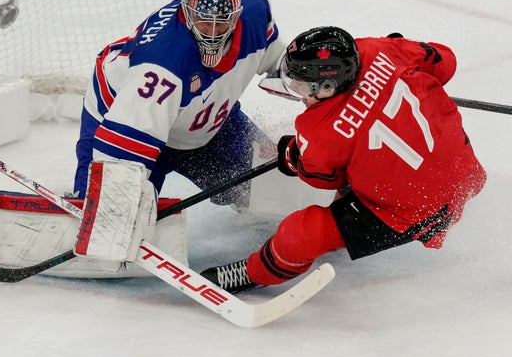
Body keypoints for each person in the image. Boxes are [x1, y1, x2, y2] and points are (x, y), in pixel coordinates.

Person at [201, 27, 487, 292]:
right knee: (360, 160)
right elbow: (445, 62)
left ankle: (254, 273)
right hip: (466, 174)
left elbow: (323, 178)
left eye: (302, 86)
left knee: (297, 234)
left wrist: (293, 157)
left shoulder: (318, 130)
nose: (298, 93)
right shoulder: (378, 50)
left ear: (326, 87)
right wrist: (399, 52)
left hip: (414, 214)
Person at [72, 0, 286, 208]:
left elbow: (279, 62)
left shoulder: (254, 13)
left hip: (203, 118)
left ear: (237, 13)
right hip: (125, 117)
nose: (213, 33)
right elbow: (120, 157)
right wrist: (113, 209)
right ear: (187, 9)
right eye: (204, 21)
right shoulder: (163, 63)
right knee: (111, 213)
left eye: (222, 23)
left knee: (268, 192)